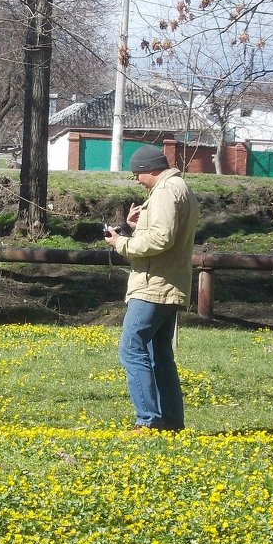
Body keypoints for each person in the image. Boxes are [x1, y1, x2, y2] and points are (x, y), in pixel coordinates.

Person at [103, 144, 199, 431]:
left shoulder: (166, 192)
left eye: (137, 174)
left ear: (151, 170)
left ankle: (148, 420)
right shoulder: (178, 189)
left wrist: (121, 243)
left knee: (131, 348)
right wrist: (134, 226)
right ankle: (170, 422)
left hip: (153, 286)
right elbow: (163, 234)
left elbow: (160, 240)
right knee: (159, 354)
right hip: (168, 283)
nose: (136, 180)